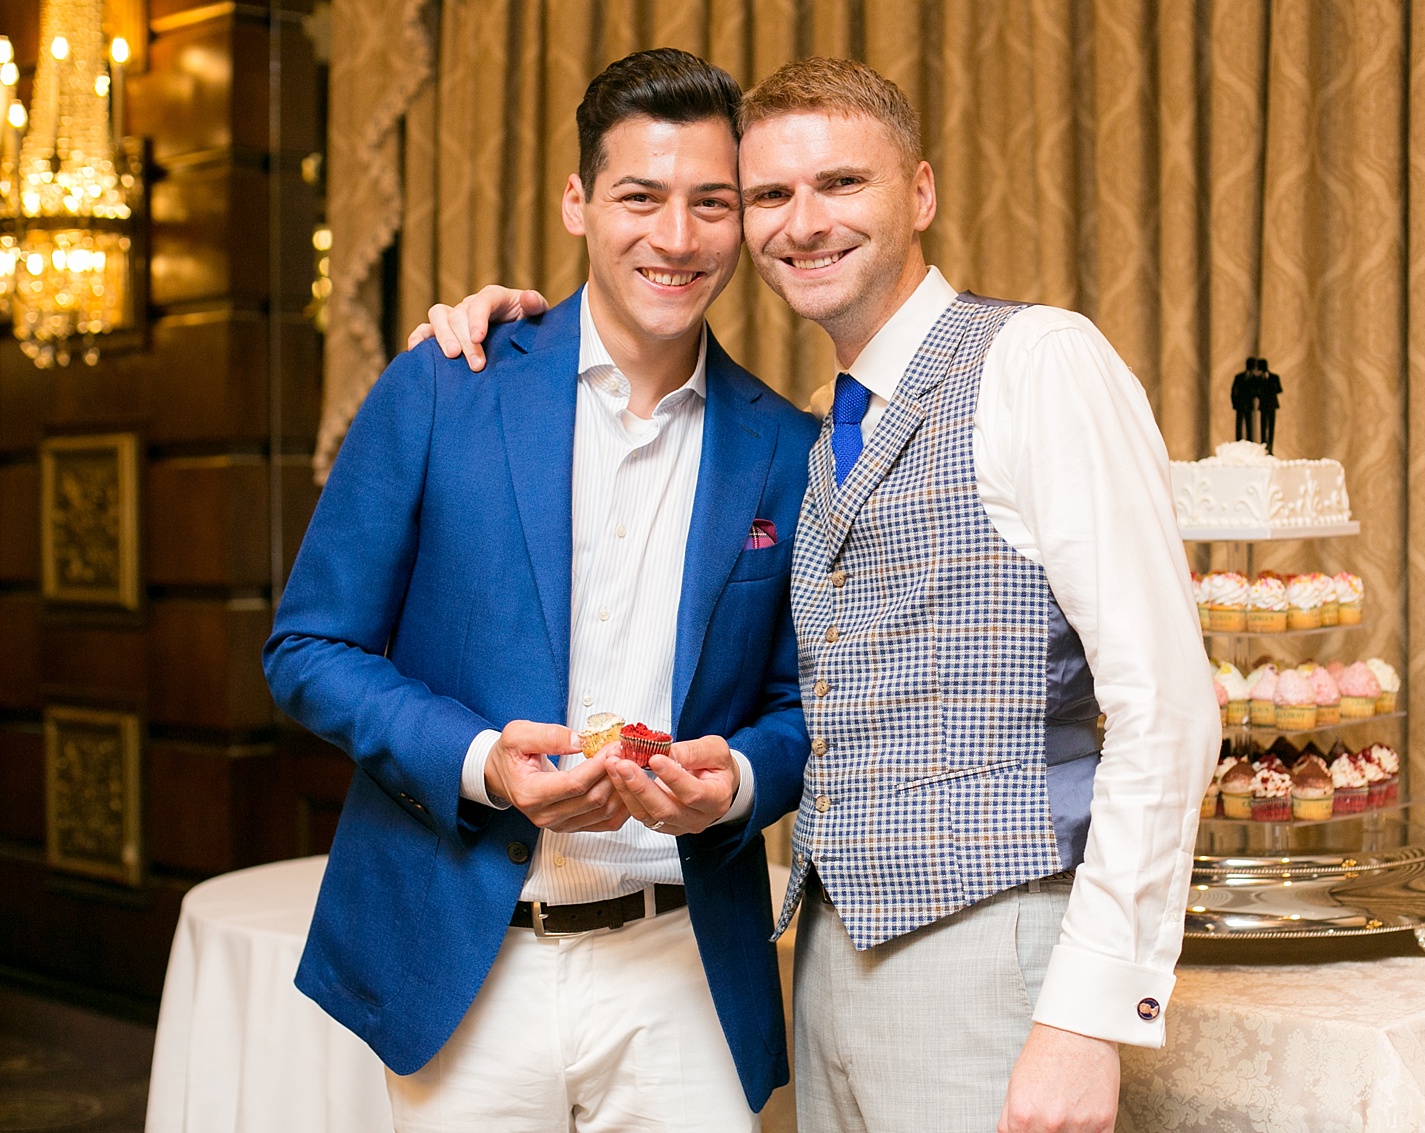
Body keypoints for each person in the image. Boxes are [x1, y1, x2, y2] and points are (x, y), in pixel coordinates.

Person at [416, 57, 1217, 1133]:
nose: (804, 222)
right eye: (767, 196)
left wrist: (1086, 1015)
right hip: (824, 956)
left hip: (996, 951)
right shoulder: (810, 429)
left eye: (841, 183)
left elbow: (1167, 703)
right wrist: (517, 331)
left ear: (919, 193)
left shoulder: (1037, 362)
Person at [264, 48, 817, 1132]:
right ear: (576, 201)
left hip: (681, 971)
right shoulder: (444, 381)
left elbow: (806, 706)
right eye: (639, 197)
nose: (676, 237)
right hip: (467, 959)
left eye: (711, 203)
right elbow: (309, 649)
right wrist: (482, 764)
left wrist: (739, 784)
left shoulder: (785, 448)